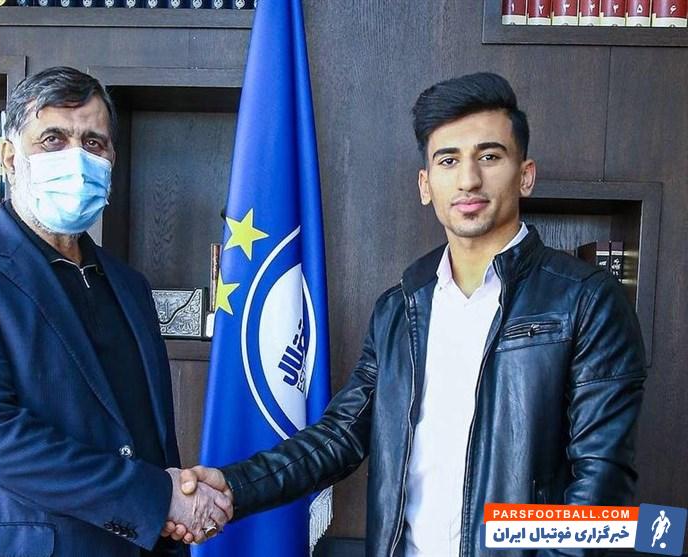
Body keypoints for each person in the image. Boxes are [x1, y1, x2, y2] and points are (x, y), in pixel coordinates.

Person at [168, 72, 648, 557]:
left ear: (525, 175)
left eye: (489, 156)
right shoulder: (401, 307)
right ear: (426, 184)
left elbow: (601, 484)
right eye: (448, 160)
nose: (468, 179)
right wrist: (234, 486)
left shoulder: (588, 300)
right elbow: (340, 436)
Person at [0, 66, 231, 557]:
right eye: (53, 139)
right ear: (9, 158)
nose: (76, 157)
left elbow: (148, 439)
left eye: (93, 143)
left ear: (111, 160)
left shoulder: (130, 287)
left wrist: (174, 503)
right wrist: (158, 498)